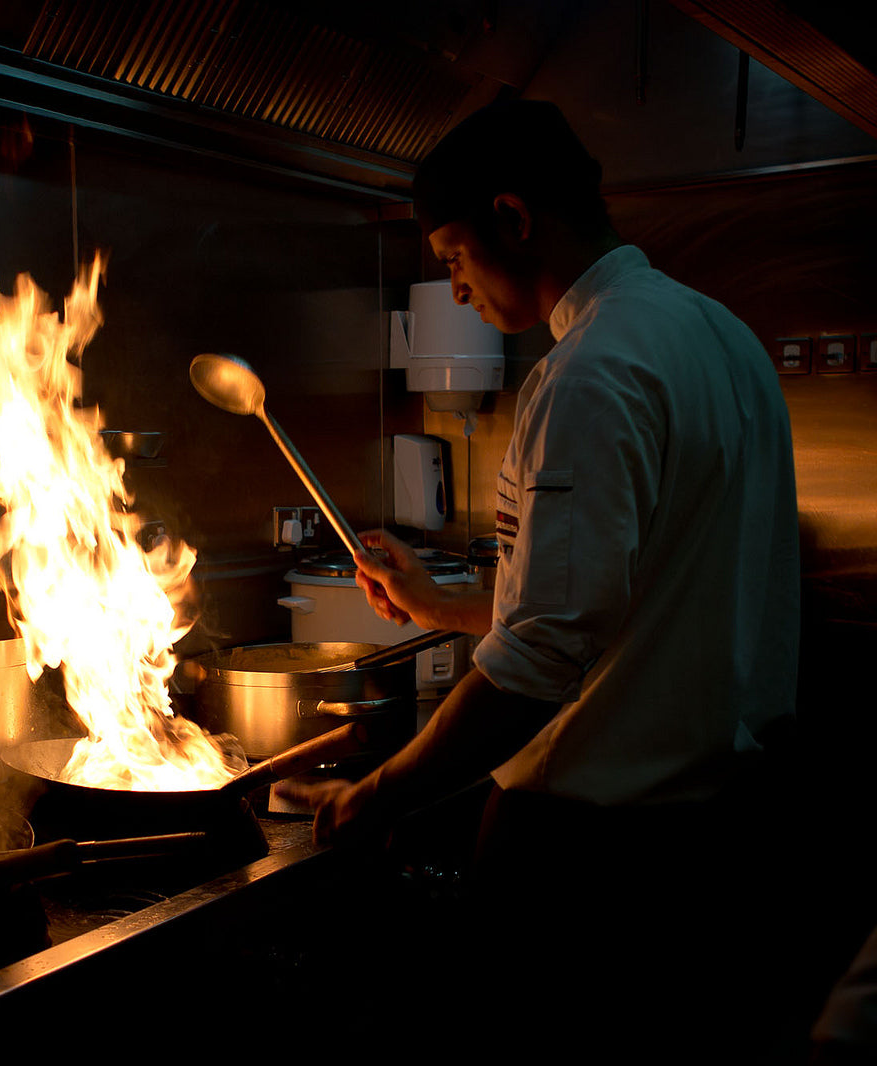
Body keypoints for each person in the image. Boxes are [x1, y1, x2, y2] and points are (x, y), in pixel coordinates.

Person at [275, 98, 804, 1061]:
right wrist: (438, 605)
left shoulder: (590, 371)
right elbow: (618, 601)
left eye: (452, 256)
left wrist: (383, 789)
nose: (458, 289)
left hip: (593, 856)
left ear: (514, 219)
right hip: (724, 831)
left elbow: (546, 652)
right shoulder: (723, 338)